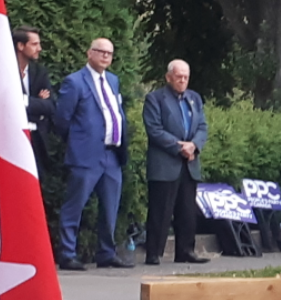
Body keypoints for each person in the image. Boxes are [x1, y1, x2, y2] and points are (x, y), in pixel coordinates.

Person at [54, 38, 131, 271]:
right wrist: (79, 142)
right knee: (74, 206)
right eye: (101, 52)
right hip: (86, 154)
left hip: (112, 154)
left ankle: (106, 253)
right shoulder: (75, 82)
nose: (106, 56)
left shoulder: (113, 81)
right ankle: (67, 253)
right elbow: (62, 119)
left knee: (110, 207)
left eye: (110, 53)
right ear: (89, 53)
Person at [143, 59, 210, 265]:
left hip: (189, 164)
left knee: (187, 211)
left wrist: (194, 146)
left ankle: (185, 251)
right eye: (179, 77)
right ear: (169, 77)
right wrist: (179, 146)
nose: (182, 80)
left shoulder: (194, 98)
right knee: (160, 211)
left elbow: (202, 126)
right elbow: (154, 129)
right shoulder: (155, 99)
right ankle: (154, 253)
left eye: (185, 77)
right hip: (165, 163)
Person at [14, 26, 54, 179]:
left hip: (37, 142)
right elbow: (9, 106)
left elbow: (50, 107)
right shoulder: (6, 71)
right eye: (34, 44)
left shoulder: (39, 72)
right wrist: (37, 102)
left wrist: (23, 101)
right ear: (21, 46)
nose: (40, 48)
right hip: (14, 141)